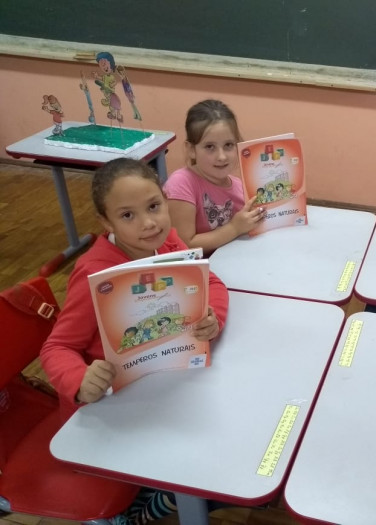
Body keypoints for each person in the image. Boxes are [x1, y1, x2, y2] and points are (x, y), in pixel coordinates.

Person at [40, 158, 230, 525]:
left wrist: (212, 317)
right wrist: (79, 381)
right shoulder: (95, 273)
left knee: (209, 448)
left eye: (154, 206)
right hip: (109, 405)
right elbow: (56, 347)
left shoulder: (168, 243)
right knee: (195, 474)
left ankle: (151, 498)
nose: (148, 223)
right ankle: (132, 510)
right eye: (128, 215)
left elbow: (212, 283)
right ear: (106, 223)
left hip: (167, 382)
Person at [164, 99, 264, 255]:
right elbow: (183, 246)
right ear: (191, 150)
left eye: (228, 145)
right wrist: (234, 228)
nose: (222, 156)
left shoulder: (239, 187)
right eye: (210, 147)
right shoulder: (181, 184)